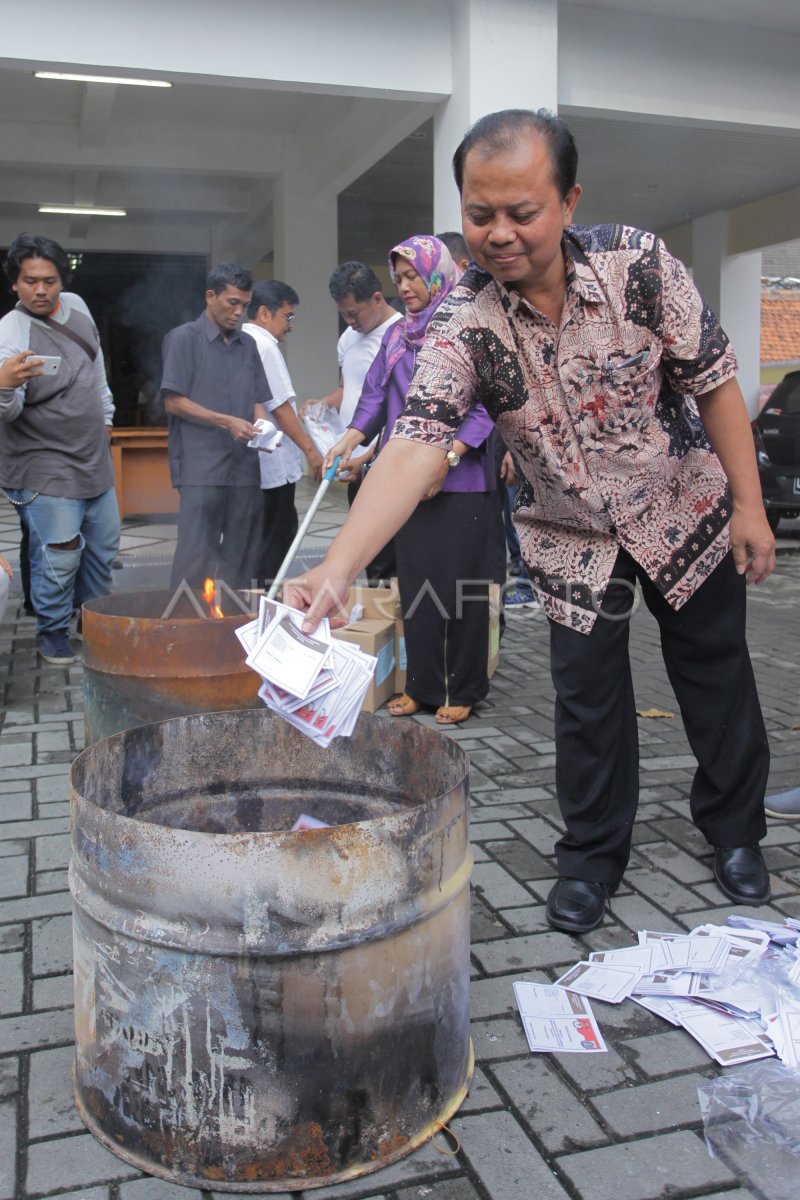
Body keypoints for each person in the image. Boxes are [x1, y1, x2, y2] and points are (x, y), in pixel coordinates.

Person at [286, 108, 776, 932]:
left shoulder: (640, 266)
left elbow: (715, 379)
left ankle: (737, 835)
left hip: (683, 507)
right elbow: (415, 443)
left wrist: (750, 506)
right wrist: (337, 567)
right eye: (481, 216)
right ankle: (591, 857)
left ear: (568, 200)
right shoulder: (461, 323)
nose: (501, 234)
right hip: (570, 537)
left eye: (523, 212)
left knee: (715, 676)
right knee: (586, 700)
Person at [327, 236, 496, 725]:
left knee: (459, 586)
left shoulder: (468, 329)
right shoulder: (398, 337)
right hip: (405, 478)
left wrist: (447, 457)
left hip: (460, 479)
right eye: (399, 278)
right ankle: (422, 686)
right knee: (418, 584)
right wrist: (350, 442)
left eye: (412, 276)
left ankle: (463, 687)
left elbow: (484, 405)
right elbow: (377, 400)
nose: (405, 287)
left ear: (437, 273)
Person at [0, 234, 120, 665]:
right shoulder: (10, 332)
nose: (40, 290)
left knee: (104, 547)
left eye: (49, 281)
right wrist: (4, 385)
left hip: (92, 456)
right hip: (42, 461)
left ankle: (94, 621)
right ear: (15, 282)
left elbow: (96, 368)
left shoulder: (79, 308)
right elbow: (8, 414)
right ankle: (52, 630)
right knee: (60, 553)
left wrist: (106, 417)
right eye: (30, 281)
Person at [161, 263, 271, 590]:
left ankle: (231, 628)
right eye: (232, 303)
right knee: (195, 558)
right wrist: (226, 422)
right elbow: (173, 402)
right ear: (210, 296)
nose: (239, 312)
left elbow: (258, 400)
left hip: (245, 469)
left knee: (241, 558)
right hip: (201, 469)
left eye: (245, 305)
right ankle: (183, 628)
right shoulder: (183, 339)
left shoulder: (248, 345)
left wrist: (263, 425)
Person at [303, 262, 401, 585]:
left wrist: (368, 457)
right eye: (343, 314)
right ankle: (376, 620)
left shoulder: (402, 336)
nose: (350, 321)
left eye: (354, 313)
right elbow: (346, 390)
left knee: (388, 554)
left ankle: (394, 625)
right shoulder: (348, 338)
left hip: (387, 463)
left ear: (376, 298)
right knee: (366, 552)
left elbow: (399, 409)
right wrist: (323, 404)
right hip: (354, 461)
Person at [241, 280, 324, 589]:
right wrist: (311, 451)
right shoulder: (263, 345)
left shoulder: (240, 340)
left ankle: (253, 602)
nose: (290, 325)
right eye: (287, 317)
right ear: (264, 313)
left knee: (258, 542)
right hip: (271, 465)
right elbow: (281, 408)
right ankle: (263, 603)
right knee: (277, 539)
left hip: (252, 465)